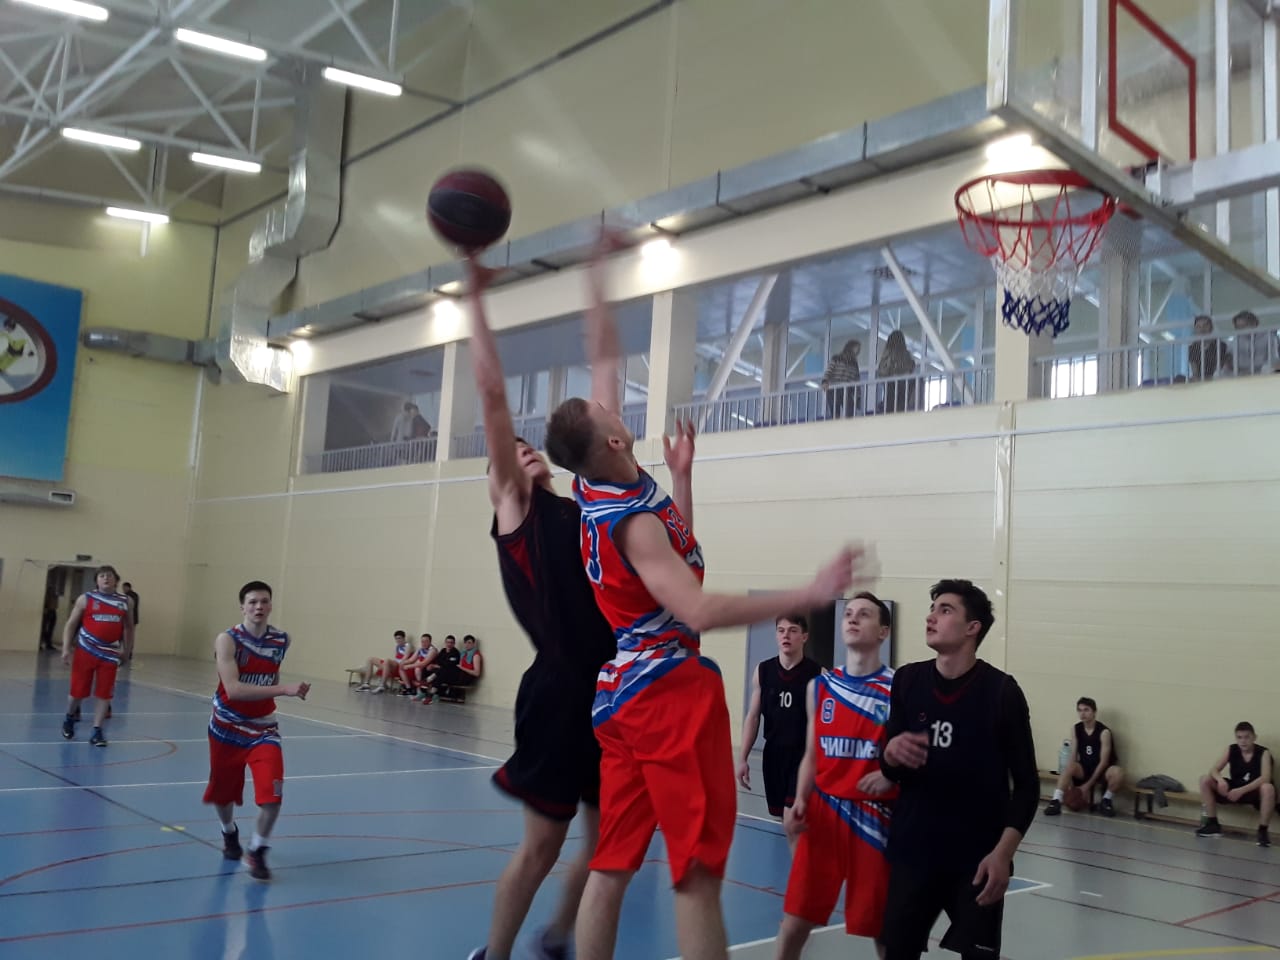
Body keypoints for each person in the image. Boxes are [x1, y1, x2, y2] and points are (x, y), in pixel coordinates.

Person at [543, 231, 865, 960]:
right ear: (613, 439)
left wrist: (595, 276)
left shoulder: (598, 483)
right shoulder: (631, 526)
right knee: (696, 873)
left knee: (612, 864)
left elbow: (604, 356)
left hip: (623, 693)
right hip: (664, 691)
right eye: (605, 410)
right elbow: (698, 609)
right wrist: (808, 591)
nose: (611, 401)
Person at [459, 256, 624, 960]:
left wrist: (598, 284)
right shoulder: (520, 518)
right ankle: (493, 954)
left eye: (533, 448)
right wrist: (475, 300)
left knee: (610, 842)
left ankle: (558, 935)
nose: (524, 451)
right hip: (559, 693)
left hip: (618, 686)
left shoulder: (589, 502)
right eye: (512, 452)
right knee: (543, 845)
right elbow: (493, 395)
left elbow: (606, 382)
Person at [878, 579, 1038, 960]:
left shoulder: (1002, 693)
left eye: (945, 610)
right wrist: (890, 755)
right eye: (932, 609)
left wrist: (1003, 854)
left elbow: (1027, 787)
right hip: (914, 853)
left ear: (972, 628)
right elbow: (890, 768)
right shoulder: (907, 680)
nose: (931, 617)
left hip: (977, 861)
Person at [775, 592, 897, 960]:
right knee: (795, 922)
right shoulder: (821, 686)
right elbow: (812, 753)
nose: (853, 619)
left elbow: (911, 758)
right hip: (824, 815)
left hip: (875, 820)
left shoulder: (899, 688)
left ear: (883, 631)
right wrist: (800, 799)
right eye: (848, 614)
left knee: (884, 931)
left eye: (864, 614)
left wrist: (892, 778)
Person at [203, 580, 310, 882]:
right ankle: (229, 832)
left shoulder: (282, 640)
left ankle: (258, 849)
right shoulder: (227, 640)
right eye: (252, 602)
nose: (259, 607)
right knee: (223, 795)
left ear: (271, 605)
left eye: (264, 601)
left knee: (272, 796)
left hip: (264, 729)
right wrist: (284, 689)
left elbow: (267, 675)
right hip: (227, 728)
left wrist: (275, 691)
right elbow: (234, 690)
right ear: (242, 607)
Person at [737, 614, 823, 846]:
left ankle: (803, 866)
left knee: (792, 818)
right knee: (784, 818)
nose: (786, 635)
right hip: (773, 755)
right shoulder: (763, 671)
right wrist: (743, 758)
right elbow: (753, 716)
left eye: (793, 630)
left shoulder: (818, 674)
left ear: (804, 637)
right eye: (781, 630)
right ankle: (801, 859)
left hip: (803, 756)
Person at [60, 565, 133, 746]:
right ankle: (69, 716)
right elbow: (71, 624)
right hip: (86, 651)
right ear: (96, 581)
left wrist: (127, 650)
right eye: (102, 576)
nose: (106, 578)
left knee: (104, 693)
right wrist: (66, 648)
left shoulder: (126, 601)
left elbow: (128, 627)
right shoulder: (86, 599)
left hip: (109, 654)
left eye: (109, 576)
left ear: (116, 580)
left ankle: (97, 730)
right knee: (77, 692)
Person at [1196, 721, 1275, 847]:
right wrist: (1220, 780)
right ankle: (1213, 824)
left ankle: (1263, 831)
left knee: (1268, 787)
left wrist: (1241, 790)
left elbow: (1265, 778)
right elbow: (1214, 769)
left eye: (1247, 737)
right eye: (1239, 737)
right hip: (1234, 788)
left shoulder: (1264, 752)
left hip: (1252, 791)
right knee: (1204, 779)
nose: (1243, 741)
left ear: (1254, 737)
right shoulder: (1231, 749)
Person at [1043, 697, 1125, 818]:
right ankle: (1056, 801)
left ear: (1094, 712)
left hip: (1102, 771)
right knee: (1070, 765)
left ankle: (1106, 801)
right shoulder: (1076, 729)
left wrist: (1087, 786)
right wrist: (1071, 784)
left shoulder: (1104, 732)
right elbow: (1073, 755)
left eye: (1086, 710)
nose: (1083, 713)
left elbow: (1104, 762)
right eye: (1080, 710)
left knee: (1118, 772)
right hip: (1085, 768)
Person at [425, 634, 483, 701]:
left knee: (446, 669)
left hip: (466, 677)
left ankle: (430, 684)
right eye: (465, 643)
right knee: (443, 672)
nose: (467, 644)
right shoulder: (464, 653)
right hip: (459, 675)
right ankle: (432, 692)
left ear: (474, 644)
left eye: (469, 643)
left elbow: (477, 673)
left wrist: (462, 668)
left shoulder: (476, 655)